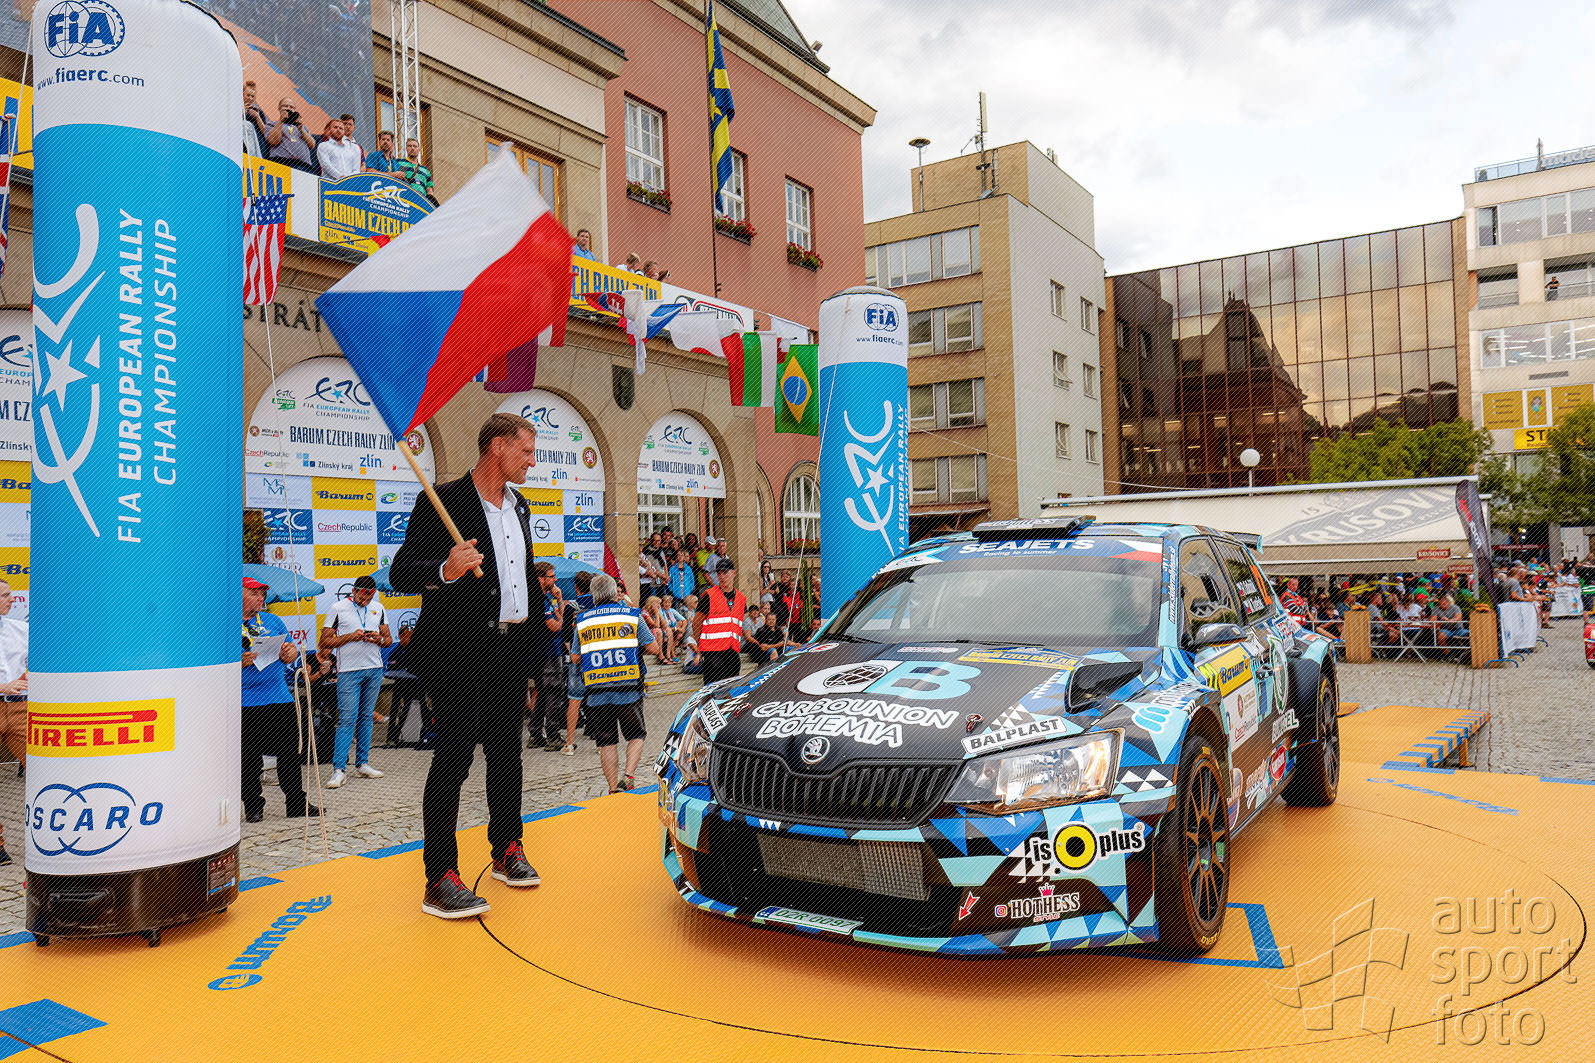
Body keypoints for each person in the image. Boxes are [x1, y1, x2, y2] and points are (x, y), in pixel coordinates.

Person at [390, 413, 550, 919]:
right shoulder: (442, 501)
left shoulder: (519, 505)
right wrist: (445, 568)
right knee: (455, 756)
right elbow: (401, 572)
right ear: (497, 447)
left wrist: (536, 644)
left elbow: (524, 574)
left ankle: (507, 848)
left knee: (507, 753)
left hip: (510, 648)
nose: (531, 462)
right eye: (526, 451)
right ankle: (440, 877)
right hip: (458, 651)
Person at [241, 577, 319, 824]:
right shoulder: (225, 625)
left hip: (278, 696)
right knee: (249, 757)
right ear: (239, 594)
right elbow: (216, 661)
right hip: (245, 700)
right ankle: (253, 805)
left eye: (262, 594)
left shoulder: (272, 621)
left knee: (289, 752)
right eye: (254, 594)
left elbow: (291, 650)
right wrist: (238, 662)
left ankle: (296, 802)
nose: (261, 598)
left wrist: (290, 654)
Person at [574, 575, 660, 794]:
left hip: (596, 692)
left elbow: (575, 657)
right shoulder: (631, 615)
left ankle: (613, 788)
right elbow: (654, 648)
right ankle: (628, 776)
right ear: (615, 593)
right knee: (636, 735)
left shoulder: (583, 620)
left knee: (607, 742)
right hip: (628, 688)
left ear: (594, 595)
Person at [320, 574, 391, 788]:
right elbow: (324, 641)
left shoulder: (378, 608)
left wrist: (379, 639)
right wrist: (350, 636)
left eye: (369, 598)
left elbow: (388, 640)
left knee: (366, 717)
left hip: (374, 668)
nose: (365, 601)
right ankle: (338, 769)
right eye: (361, 597)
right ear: (354, 591)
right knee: (347, 719)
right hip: (349, 671)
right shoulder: (337, 608)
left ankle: (362, 763)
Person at [528, 562, 567, 750]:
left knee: (543, 692)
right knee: (553, 692)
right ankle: (553, 736)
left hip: (540, 651)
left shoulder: (540, 597)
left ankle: (535, 733)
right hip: (548, 652)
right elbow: (555, 626)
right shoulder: (540, 599)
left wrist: (558, 601)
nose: (555, 579)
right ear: (541, 578)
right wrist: (560, 608)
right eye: (551, 576)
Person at [0, 579, 26, 865]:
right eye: (5, 595)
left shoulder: (21, 630)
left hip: (21, 709)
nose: (12, 599)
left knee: (45, 768)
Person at [559, 569, 595, 757]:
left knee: (574, 700)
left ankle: (569, 743)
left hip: (577, 657)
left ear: (576, 587)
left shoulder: (571, 607)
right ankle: (601, 744)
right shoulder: (598, 605)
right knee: (598, 698)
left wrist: (573, 650)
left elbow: (565, 635)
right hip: (597, 658)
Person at [693, 558, 745, 685]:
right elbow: (696, 623)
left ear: (734, 573)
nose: (721, 576)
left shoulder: (741, 598)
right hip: (713, 653)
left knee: (731, 689)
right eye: (719, 573)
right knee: (712, 690)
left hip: (732, 652)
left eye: (725, 572)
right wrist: (700, 646)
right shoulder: (709, 596)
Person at [265, 97, 317, 173]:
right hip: (282, 162)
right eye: (285, 106)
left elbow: (312, 145)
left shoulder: (302, 127)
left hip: (304, 166)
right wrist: (281, 121)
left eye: (291, 107)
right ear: (279, 108)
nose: (289, 109)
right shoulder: (272, 124)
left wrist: (301, 129)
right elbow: (274, 141)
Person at [395, 137, 436, 203]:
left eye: (415, 146)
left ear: (419, 149)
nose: (412, 148)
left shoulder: (425, 170)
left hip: (421, 201)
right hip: (404, 198)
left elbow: (429, 189)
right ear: (406, 148)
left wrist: (429, 201)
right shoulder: (398, 162)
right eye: (409, 146)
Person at [243, 80, 269, 158]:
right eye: (248, 95)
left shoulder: (258, 112)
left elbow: (265, 132)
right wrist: (243, 111)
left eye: (253, 96)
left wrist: (257, 117)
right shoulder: (236, 108)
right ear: (242, 94)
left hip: (258, 143)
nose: (250, 98)